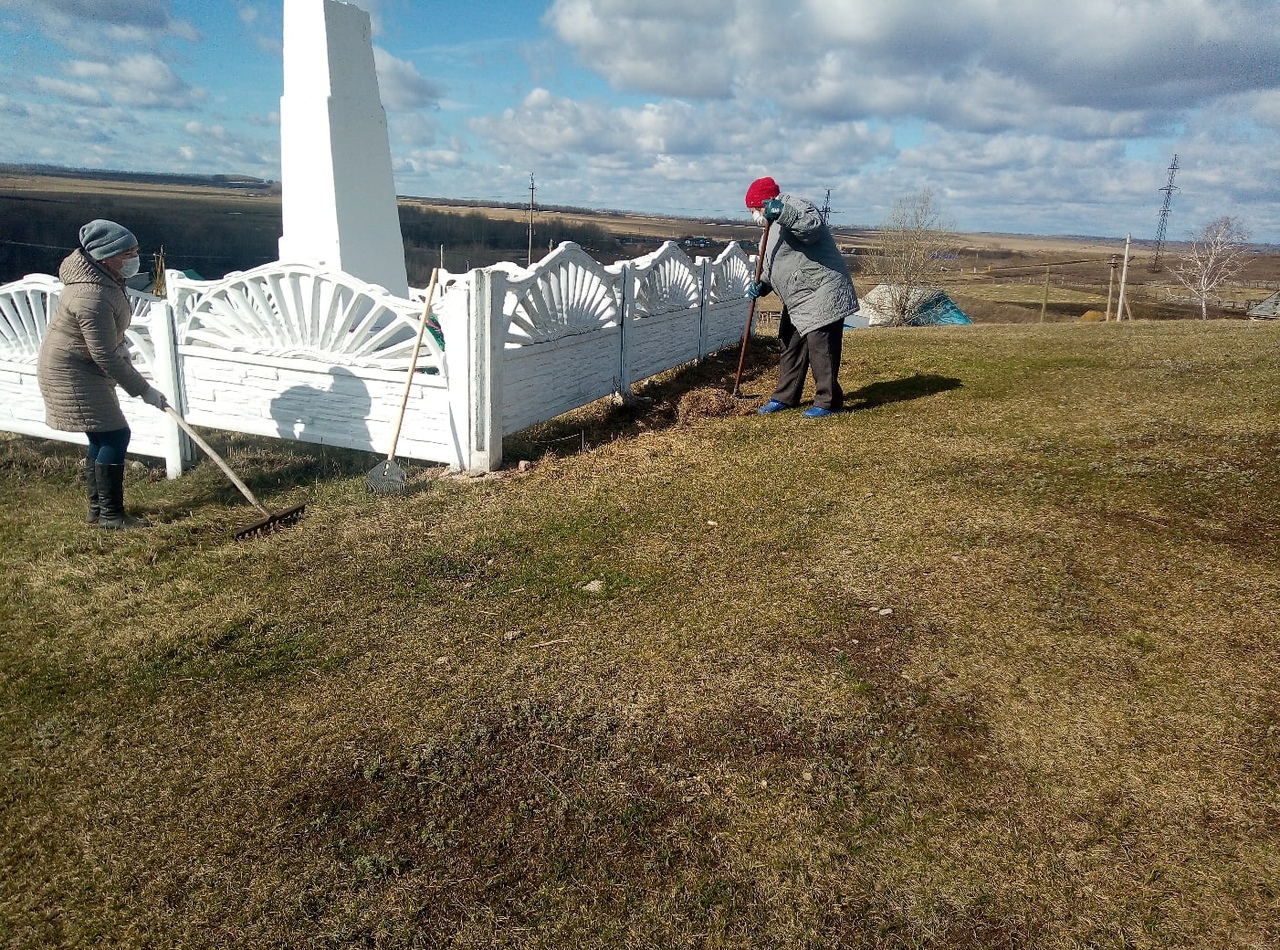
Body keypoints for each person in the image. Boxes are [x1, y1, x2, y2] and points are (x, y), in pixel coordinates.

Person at [37, 219, 169, 529]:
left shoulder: (105, 279)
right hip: (72, 372)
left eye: (135, 250)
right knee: (114, 434)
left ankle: (99, 511)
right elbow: (104, 353)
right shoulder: (91, 296)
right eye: (127, 253)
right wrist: (144, 390)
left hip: (82, 366)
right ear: (105, 256)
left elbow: (109, 342)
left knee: (102, 435)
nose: (134, 258)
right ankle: (111, 515)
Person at [743, 176, 859, 418]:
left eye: (755, 209)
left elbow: (812, 229)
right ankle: (785, 397)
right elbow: (775, 264)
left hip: (821, 288)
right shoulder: (769, 229)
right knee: (790, 343)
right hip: (800, 296)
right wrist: (763, 285)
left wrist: (783, 212)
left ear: (766, 202)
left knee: (821, 346)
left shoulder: (796, 206)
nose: (754, 215)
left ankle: (828, 402)